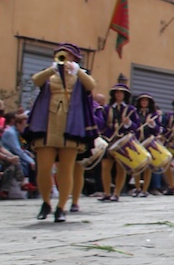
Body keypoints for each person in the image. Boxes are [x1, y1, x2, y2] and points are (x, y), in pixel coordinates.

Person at [24, 43, 96, 220]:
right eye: (61, 54)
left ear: (75, 58)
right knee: (44, 169)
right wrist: (52, 69)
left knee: (66, 169)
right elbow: (36, 80)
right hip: (47, 125)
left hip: (71, 125)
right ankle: (46, 202)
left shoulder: (80, 75)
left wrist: (77, 71)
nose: (64, 57)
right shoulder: (50, 73)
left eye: (68, 55)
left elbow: (91, 85)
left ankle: (61, 206)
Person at [98, 83, 136, 202]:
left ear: (125, 95)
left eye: (121, 93)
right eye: (117, 93)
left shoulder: (131, 110)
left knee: (121, 167)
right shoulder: (107, 108)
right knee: (105, 167)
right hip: (109, 140)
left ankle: (117, 193)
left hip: (123, 141)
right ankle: (106, 192)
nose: (119, 95)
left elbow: (137, 126)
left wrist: (128, 123)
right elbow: (102, 124)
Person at [132, 93, 162, 197]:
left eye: (146, 101)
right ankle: (137, 188)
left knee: (148, 166)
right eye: (142, 100)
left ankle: (145, 189)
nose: (144, 102)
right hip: (137, 141)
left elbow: (158, 130)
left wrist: (152, 124)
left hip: (148, 142)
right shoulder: (135, 113)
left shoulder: (154, 115)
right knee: (136, 165)